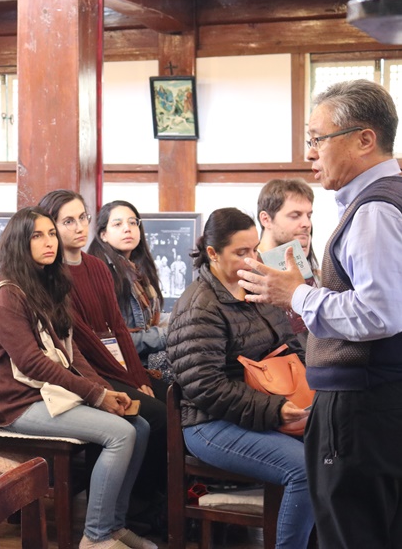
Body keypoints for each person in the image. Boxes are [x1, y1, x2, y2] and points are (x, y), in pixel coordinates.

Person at [238, 79, 402, 548]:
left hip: (363, 405)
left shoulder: (375, 211)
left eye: (317, 138)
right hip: (377, 399)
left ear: (364, 139)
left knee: (353, 534)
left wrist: (298, 295)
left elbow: (380, 313)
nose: (309, 153)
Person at [0, 206, 154, 549]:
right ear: (19, 242)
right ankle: (96, 536)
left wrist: (104, 390)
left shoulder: (46, 285)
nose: (49, 242)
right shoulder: (7, 293)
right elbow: (32, 364)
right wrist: (95, 396)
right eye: (37, 235)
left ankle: (115, 526)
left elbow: (72, 356)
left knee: (140, 425)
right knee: (120, 434)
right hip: (16, 405)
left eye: (51, 235)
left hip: (47, 396)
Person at [167, 208, 313, 549]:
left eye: (254, 250)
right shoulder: (199, 306)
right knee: (304, 470)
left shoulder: (256, 287)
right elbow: (206, 386)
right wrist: (275, 409)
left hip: (264, 405)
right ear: (213, 253)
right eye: (241, 252)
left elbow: (291, 347)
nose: (252, 259)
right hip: (210, 423)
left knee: (341, 447)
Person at [39, 190, 167, 526]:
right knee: (154, 414)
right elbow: (85, 341)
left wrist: (139, 376)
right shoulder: (51, 275)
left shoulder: (96, 266)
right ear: (51, 226)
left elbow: (119, 330)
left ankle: (154, 499)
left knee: (170, 397)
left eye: (82, 217)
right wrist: (129, 381)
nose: (80, 227)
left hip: (114, 366)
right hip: (83, 372)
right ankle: (138, 507)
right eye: (68, 221)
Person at [87, 201, 169, 376]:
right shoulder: (103, 274)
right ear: (103, 235)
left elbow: (148, 320)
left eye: (133, 222)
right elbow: (115, 339)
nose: (127, 228)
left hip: (144, 358)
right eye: (117, 224)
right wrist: (168, 334)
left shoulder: (136, 270)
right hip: (122, 367)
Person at [256, 178, 319, 345]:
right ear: (266, 219)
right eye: (295, 215)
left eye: (309, 215)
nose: (306, 224)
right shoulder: (248, 274)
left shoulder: (316, 273)